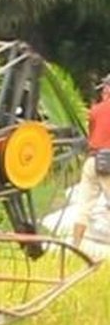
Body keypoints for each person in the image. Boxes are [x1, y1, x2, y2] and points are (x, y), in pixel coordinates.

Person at [72, 74, 110, 247]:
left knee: (84, 207)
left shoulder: (95, 110)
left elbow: (92, 134)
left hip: (93, 160)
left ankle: (75, 244)